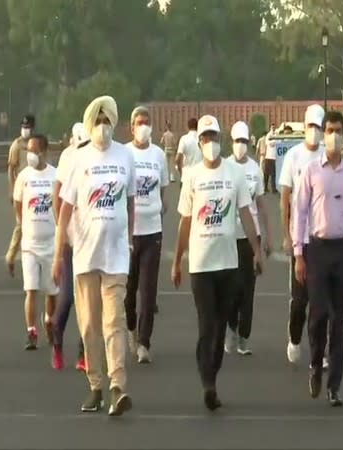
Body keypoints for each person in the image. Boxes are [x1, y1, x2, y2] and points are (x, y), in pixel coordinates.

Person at [172, 114, 263, 411]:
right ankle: (207, 383)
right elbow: (185, 221)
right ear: (199, 142)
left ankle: (213, 376)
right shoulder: (192, 176)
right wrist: (176, 260)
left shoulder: (234, 174)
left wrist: (257, 250)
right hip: (200, 264)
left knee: (222, 325)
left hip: (228, 262)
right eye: (206, 138)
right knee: (206, 325)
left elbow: (247, 215)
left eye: (214, 137)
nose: (211, 143)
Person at [53, 96, 134, 416]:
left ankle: (118, 387)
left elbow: (129, 202)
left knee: (115, 321)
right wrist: (60, 252)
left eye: (107, 120)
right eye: (97, 121)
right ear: (90, 125)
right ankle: (96, 386)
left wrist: (129, 238)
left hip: (115, 255)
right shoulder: (78, 159)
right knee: (89, 326)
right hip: (85, 254)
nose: (103, 126)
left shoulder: (125, 155)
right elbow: (65, 211)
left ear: (114, 123)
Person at [293, 110, 343, 407]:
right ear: (323, 134)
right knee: (318, 315)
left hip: (342, 249)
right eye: (329, 130)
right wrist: (298, 252)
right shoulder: (312, 171)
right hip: (318, 249)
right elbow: (299, 212)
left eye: (338, 130)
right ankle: (315, 365)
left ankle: (335, 384)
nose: (333, 135)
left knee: (339, 320)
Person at [279, 104, 327, 367]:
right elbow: (284, 199)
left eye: (319, 127)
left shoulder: (328, 157)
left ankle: (320, 352)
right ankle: (294, 338)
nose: (315, 132)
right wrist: (287, 235)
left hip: (322, 238)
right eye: (311, 126)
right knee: (300, 301)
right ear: (304, 126)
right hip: (300, 237)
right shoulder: (294, 157)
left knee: (322, 301)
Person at [224, 121, 274, 356]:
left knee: (248, 289)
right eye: (237, 141)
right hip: (228, 237)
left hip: (250, 237)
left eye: (244, 141)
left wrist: (267, 237)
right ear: (231, 142)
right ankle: (231, 327)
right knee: (231, 289)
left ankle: (244, 336)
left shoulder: (255, 169)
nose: (241, 145)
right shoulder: (224, 167)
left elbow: (261, 205)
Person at [124, 106, 169, 364]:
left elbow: (163, 188)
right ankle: (131, 327)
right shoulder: (125, 154)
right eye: (139, 122)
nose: (143, 126)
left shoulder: (158, 155)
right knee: (129, 292)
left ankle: (144, 342)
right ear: (131, 127)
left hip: (152, 229)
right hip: (129, 232)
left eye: (146, 122)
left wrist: (160, 206)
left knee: (148, 291)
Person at [12, 134, 58, 350]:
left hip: (51, 243)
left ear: (44, 151)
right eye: (28, 150)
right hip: (30, 244)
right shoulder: (24, 177)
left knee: (51, 291)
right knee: (31, 289)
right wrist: (25, 225)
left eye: (34, 150)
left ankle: (49, 320)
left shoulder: (56, 175)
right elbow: (18, 204)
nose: (30, 154)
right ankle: (31, 331)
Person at [50, 122, 88, 371]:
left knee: (89, 301)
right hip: (70, 239)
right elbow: (58, 196)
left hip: (91, 240)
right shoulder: (68, 157)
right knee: (67, 297)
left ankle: (84, 354)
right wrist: (61, 230)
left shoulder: (97, 157)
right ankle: (57, 342)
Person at [5, 114, 36, 268]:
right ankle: (11, 255)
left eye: (28, 127)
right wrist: (12, 189)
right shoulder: (16, 145)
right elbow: (11, 168)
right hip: (21, 188)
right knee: (21, 223)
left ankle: (29, 253)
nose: (26, 130)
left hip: (35, 187)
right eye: (24, 127)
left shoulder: (35, 144)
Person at [175, 118, 201, 187]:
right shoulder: (202, 139)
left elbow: (177, 158)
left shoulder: (184, 139)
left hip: (187, 175)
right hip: (200, 176)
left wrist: (181, 171)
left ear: (188, 127)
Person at [263, 123, 278, 193]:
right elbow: (268, 143)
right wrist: (273, 142)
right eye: (272, 127)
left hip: (274, 157)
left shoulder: (277, 134)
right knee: (266, 174)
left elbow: (277, 142)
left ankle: (273, 188)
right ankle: (265, 187)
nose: (273, 128)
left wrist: (273, 142)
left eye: (274, 127)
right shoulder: (268, 135)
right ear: (270, 128)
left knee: (273, 174)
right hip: (268, 157)